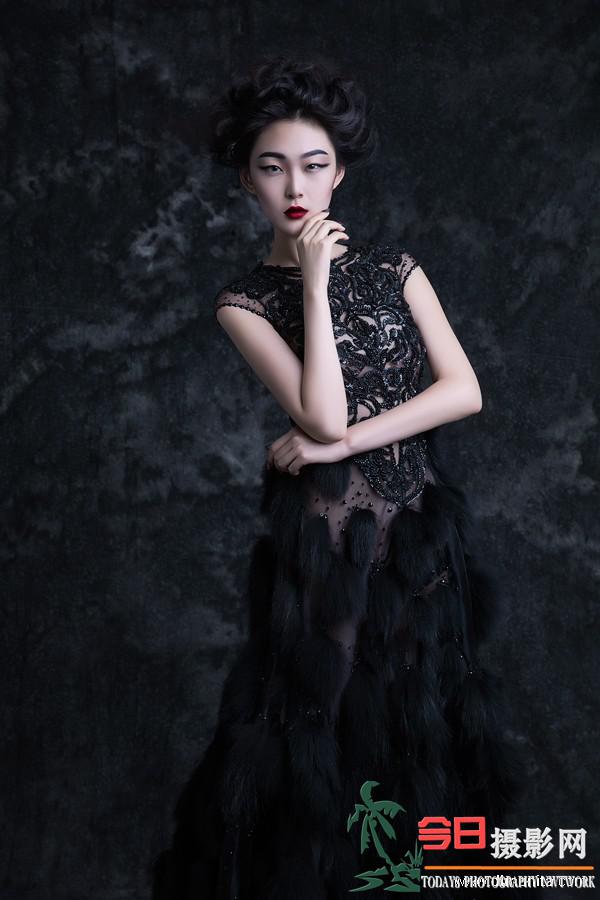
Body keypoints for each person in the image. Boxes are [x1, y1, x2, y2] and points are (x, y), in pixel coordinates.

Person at [151, 56, 532, 900]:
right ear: (246, 180)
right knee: (321, 742)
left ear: (340, 173)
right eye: (272, 166)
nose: (296, 185)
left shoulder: (397, 269)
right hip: (328, 547)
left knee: (427, 727)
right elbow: (320, 415)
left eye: (314, 164)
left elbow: (462, 391)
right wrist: (316, 284)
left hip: (421, 534)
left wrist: (341, 443)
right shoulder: (243, 302)